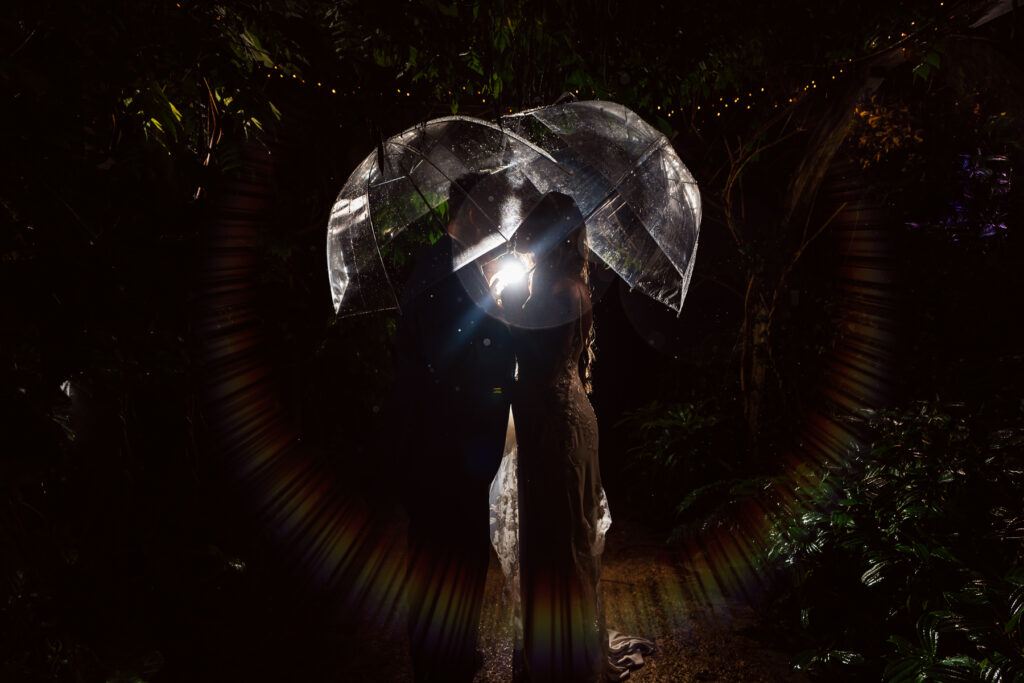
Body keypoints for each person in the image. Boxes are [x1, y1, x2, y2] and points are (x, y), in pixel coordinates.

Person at [392, 172, 516, 681]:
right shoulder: (450, 274)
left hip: (432, 443)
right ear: (467, 214)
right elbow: (461, 365)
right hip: (449, 447)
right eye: (488, 216)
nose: (493, 227)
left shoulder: (437, 266)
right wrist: (504, 326)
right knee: (455, 552)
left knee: (434, 551)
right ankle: (447, 660)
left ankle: (441, 654)